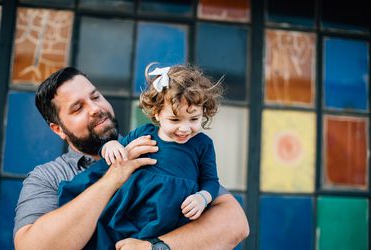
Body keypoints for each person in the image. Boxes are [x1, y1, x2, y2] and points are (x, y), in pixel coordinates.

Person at [13, 66, 249, 250]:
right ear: (58, 130)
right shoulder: (48, 178)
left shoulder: (165, 146)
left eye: (95, 97)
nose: (95, 108)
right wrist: (113, 178)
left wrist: (155, 246)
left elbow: (234, 224)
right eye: (78, 108)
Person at [58, 64, 222, 249]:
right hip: (134, 208)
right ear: (157, 114)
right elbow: (116, 151)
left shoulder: (202, 144)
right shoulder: (144, 133)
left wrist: (203, 197)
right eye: (174, 120)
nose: (184, 128)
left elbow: (211, 180)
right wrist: (110, 145)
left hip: (173, 217)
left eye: (194, 119)